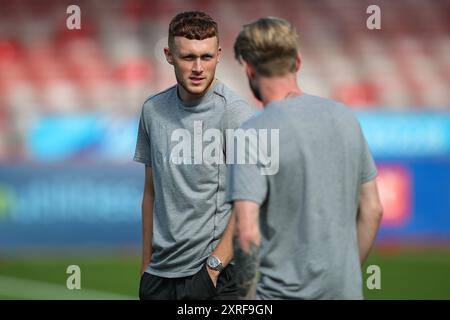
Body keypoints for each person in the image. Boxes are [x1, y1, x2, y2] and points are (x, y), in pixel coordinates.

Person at [226, 17, 383, 299]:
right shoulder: (345, 118)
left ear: (249, 70)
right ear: (297, 62)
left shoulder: (252, 134)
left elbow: (246, 232)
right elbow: (372, 210)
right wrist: (346, 278)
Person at [134, 11, 255, 300]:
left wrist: (213, 269)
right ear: (169, 55)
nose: (199, 67)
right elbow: (151, 193)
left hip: (218, 274)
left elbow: (249, 201)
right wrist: (145, 267)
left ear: (219, 54)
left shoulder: (236, 113)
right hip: (160, 275)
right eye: (188, 57)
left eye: (207, 57)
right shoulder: (152, 111)